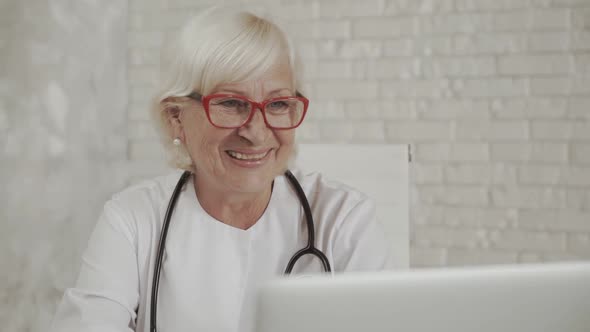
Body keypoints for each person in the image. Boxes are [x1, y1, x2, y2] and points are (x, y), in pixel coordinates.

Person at [50, 6, 393, 332]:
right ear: (176, 117)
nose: (256, 132)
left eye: (277, 104)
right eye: (231, 103)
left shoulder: (345, 220)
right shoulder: (131, 221)